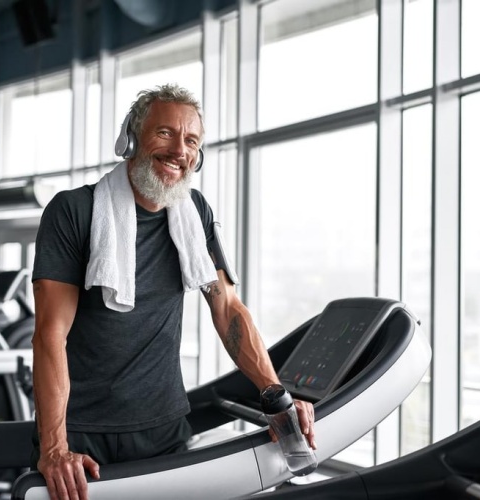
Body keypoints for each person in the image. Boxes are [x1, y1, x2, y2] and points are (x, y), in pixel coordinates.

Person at [30, 83, 317, 500]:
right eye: (165, 133)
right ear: (131, 137)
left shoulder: (195, 213)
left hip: (164, 431)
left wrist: (277, 400)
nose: (179, 149)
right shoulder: (74, 210)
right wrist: (55, 447)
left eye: (191, 140)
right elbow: (49, 333)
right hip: (82, 434)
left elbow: (229, 311)